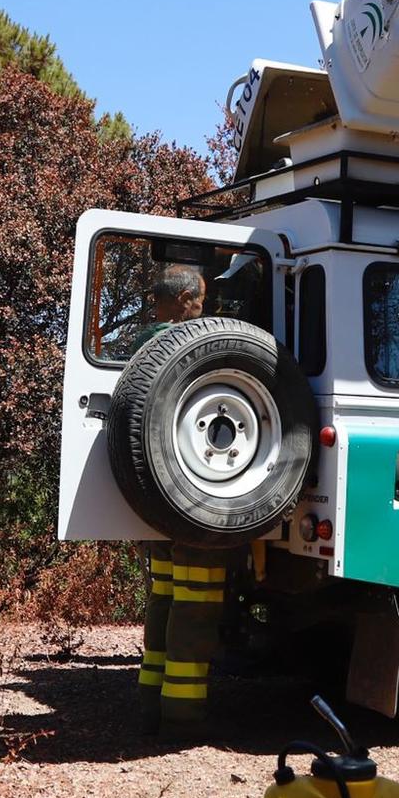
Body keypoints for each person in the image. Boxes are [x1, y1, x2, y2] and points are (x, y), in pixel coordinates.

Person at [127, 263, 239, 741]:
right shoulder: (203, 344)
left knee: (164, 598)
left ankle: (149, 705)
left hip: (156, 500)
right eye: (201, 299)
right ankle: (182, 719)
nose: (205, 308)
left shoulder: (140, 347)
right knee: (196, 609)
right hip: (198, 500)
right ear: (187, 299)